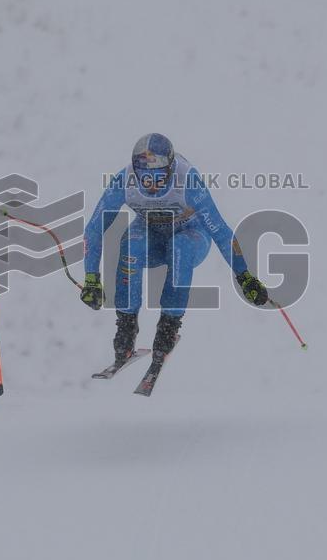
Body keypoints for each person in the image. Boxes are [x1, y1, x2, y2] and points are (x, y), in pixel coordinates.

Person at [81, 133, 269, 380]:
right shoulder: (124, 180)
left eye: (158, 176)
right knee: (131, 244)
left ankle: (168, 327)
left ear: (170, 169)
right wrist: (92, 279)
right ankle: (126, 329)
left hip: (191, 235)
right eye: (144, 177)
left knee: (179, 247)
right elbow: (94, 230)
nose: (150, 185)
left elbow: (221, 231)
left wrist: (244, 276)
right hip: (151, 235)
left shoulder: (187, 179)